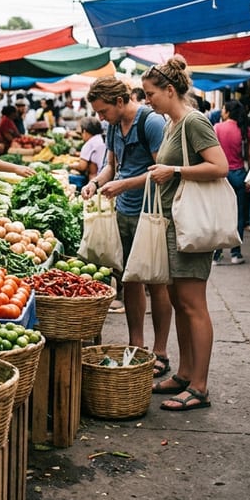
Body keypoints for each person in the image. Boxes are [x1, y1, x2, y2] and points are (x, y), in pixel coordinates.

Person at [141, 56, 228, 412]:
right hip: (173, 224)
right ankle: (184, 374)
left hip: (190, 226)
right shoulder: (171, 124)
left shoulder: (193, 121)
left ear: (170, 90)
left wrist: (174, 169)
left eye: (150, 94)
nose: (147, 101)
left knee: (194, 306)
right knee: (179, 302)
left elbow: (219, 166)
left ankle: (200, 386)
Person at [82, 77, 169, 367]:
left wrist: (124, 185)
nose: (100, 117)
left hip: (152, 213)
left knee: (156, 282)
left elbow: (161, 171)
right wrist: (95, 183)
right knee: (130, 279)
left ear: (120, 102)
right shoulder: (112, 127)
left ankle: (160, 352)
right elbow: (111, 167)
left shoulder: (151, 123)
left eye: (103, 111)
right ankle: (137, 346)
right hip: (125, 212)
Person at [212, 100, 250, 265]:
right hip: (239, 175)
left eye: (223, 109)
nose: (221, 111)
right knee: (238, 215)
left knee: (219, 215)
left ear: (228, 111)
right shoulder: (246, 131)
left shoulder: (217, 128)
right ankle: (236, 253)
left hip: (220, 176)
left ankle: (217, 254)